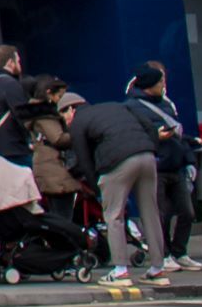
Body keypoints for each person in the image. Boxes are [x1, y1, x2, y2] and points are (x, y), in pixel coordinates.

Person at [68, 66, 179, 282]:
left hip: (116, 162)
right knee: (151, 212)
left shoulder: (79, 123)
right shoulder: (117, 106)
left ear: (71, 110)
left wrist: (95, 186)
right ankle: (158, 268)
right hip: (146, 156)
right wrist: (151, 148)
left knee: (114, 215)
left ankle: (120, 270)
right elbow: (147, 126)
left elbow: (83, 159)